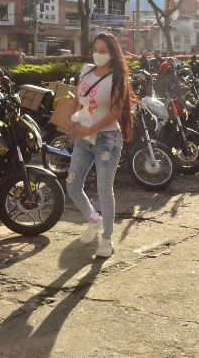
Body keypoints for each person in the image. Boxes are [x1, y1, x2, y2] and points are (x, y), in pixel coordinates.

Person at [64, 32, 135, 258]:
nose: (98, 54)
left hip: (107, 140)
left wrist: (89, 130)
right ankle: (94, 220)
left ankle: (107, 239)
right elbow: (76, 100)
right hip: (83, 137)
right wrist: (68, 119)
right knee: (73, 186)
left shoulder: (118, 78)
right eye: (96, 49)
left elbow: (115, 112)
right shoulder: (86, 71)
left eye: (103, 51)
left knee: (104, 189)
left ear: (112, 54)